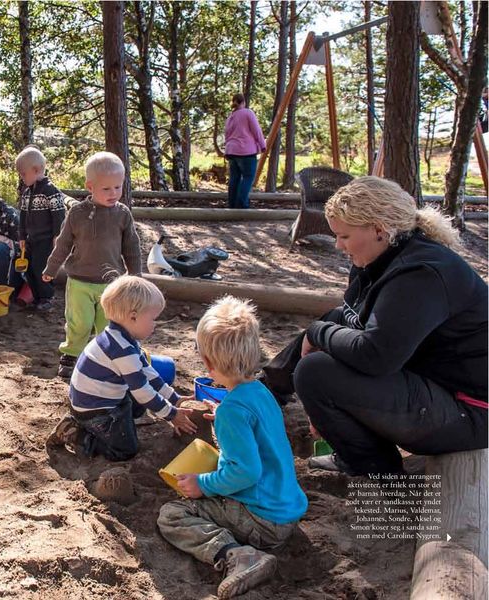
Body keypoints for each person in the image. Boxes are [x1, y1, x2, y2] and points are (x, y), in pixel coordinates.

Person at [261, 176, 488, 476]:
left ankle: (380, 475)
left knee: (316, 373)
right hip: (435, 383)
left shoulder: (421, 274)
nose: (338, 246)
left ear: (379, 230)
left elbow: (375, 356)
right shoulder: (382, 257)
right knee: (331, 325)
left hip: (470, 411)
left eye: (344, 236)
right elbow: (349, 316)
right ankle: (266, 393)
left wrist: (318, 333)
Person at [157, 296, 307, 600]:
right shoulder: (260, 392)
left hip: (263, 521)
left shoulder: (231, 412)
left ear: (208, 363)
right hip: (286, 509)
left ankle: (237, 556)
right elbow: (256, 436)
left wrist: (202, 484)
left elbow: (245, 471)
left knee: (171, 514)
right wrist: (225, 414)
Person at [47, 275, 197, 460]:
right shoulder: (122, 350)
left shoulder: (120, 337)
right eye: (152, 319)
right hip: (94, 410)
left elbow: (148, 371)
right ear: (133, 317)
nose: (155, 325)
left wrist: (174, 399)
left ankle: (114, 422)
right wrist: (171, 415)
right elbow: (142, 391)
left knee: (139, 408)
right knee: (125, 450)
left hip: (100, 396)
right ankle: (74, 433)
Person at [43, 151, 142, 378]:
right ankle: (72, 355)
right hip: (79, 281)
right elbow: (63, 243)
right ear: (90, 187)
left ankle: (102, 359)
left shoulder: (123, 214)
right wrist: (51, 268)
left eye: (118, 187)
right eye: (106, 189)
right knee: (79, 322)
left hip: (111, 284)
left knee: (106, 325)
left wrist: (135, 275)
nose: (114, 193)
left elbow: (132, 247)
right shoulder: (77, 213)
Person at [16, 146, 66, 310]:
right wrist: (22, 236)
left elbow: (58, 215)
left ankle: (46, 297)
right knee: (29, 268)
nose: (22, 178)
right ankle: (36, 297)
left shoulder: (50, 191)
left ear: (36, 170)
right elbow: (22, 216)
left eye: (23, 174)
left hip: (45, 239)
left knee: (41, 268)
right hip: (31, 239)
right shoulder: (27, 193)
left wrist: (57, 236)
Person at [224, 93, 266, 209]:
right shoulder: (248, 113)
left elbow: (226, 134)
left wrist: (227, 150)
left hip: (231, 151)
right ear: (243, 102)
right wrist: (263, 145)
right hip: (246, 151)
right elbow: (256, 130)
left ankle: (232, 204)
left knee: (235, 178)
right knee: (248, 177)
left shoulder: (231, 117)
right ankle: (242, 204)